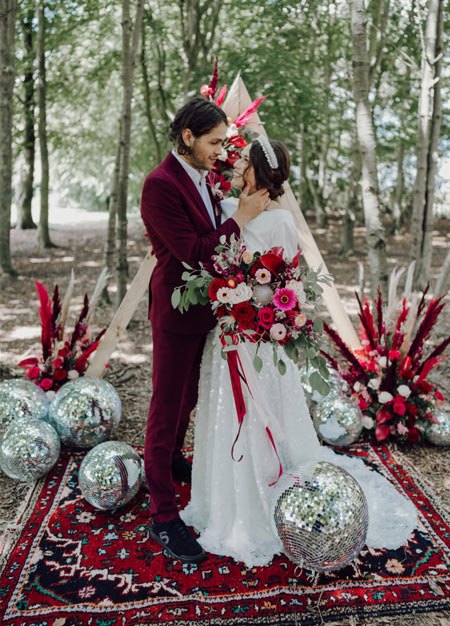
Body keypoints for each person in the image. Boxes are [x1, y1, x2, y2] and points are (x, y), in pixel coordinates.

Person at [181, 137, 417, 567]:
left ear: (259, 172)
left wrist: (258, 313)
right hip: (227, 335)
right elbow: (211, 256)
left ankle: (273, 494)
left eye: (244, 164)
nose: (238, 169)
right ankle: (226, 503)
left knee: (263, 412)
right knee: (226, 414)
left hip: (259, 340)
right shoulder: (229, 212)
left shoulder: (281, 224)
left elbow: (283, 286)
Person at [140, 97, 271, 564]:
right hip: (175, 317)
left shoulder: (204, 177)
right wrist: (243, 218)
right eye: (215, 142)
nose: (221, 151)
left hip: (208, 314)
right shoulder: (158, 186)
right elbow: (196, 253)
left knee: (189, 401)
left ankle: (174, 458)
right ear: (188, 137)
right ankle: (163, 513)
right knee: (165, 407)